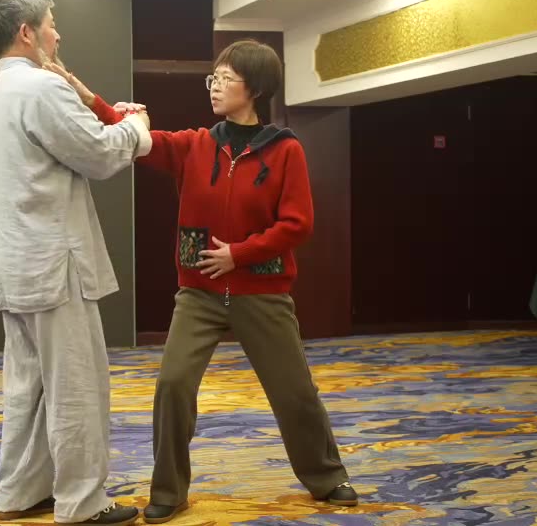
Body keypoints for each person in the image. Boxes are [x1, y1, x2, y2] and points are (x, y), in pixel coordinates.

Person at [46, 39, 358, 523]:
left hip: (262, 293)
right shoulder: (195, 144)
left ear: (254, 89)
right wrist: (86, 96)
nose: (214, 86)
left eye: (226, 79)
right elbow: (140, 142)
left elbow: (297, 225)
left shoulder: (286, 150)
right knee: (172, 385)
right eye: (213, 78)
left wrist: (239, 254)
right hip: (199, 294)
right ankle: (169, 490)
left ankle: (327, 476)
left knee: (295, 392)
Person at [0, 0, 152, 525]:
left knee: (28, 389)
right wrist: (137, 128)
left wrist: (106, 119)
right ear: (26, 32)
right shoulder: (40, 87)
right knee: (77, 386)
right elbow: (99, 154)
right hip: (56, 266)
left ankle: (19, 493)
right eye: (52, 23)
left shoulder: (1, 89)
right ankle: (82, 502)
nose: (58, 34)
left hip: (18, 265)